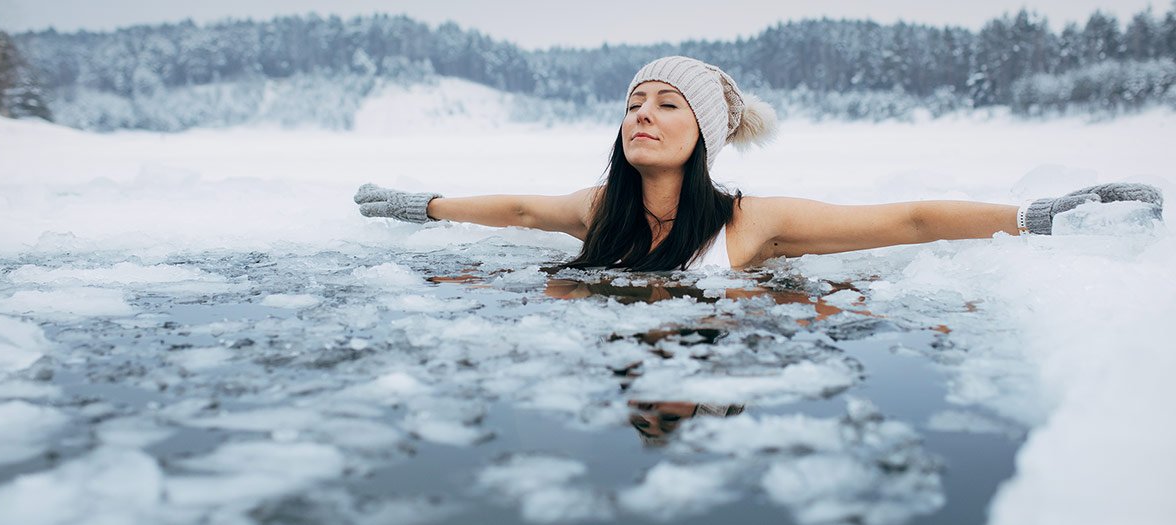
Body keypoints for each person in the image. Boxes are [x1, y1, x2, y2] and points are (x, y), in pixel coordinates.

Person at [355, 56, 1164, 272]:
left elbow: (906, 220)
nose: (643, 114)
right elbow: (522, 212)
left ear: (703, 133)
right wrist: (421, 205)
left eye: (667, 105)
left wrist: (1030, 216)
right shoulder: (598, 206)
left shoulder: (752, 223)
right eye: (636, 102)